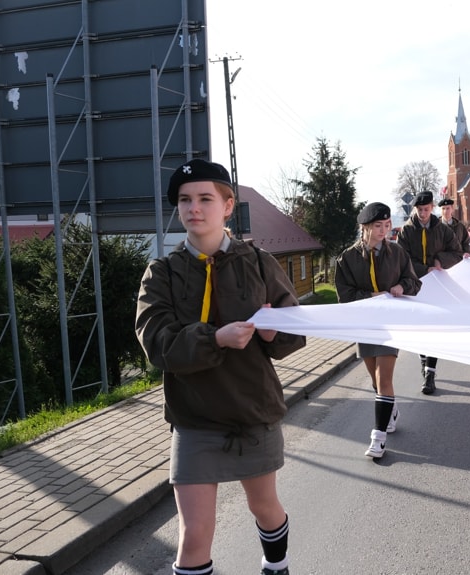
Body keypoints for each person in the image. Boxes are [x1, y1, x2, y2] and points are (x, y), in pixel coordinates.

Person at [135, 159, 306, 575]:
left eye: (205, 199)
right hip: (194, 419)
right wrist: (215, 339)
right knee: (194, 534)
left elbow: (293, 331)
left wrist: (272, 335)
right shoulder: (162, 273)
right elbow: (157, 343)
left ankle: (276, 565)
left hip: (252, 413)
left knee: (264, 508)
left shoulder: (260, 263)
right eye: (185, 200)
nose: (194, 208)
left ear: (228, 206)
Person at [335, 202, 422, 458]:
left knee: (384, 379)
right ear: (365, 228)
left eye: (387, 225)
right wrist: (371, 295)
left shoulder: (397, 253)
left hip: (389, 325)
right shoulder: (347, 258)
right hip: (364, 325)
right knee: (375, 380)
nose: (384, 230)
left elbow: (414, 282)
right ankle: (391, 410)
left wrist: (402, 288)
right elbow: (344, 295)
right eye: (378, 226)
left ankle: (378, 437)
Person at [397, 190, 463, 394]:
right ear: (415, 209)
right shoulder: (406, 231)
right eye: (420, 210)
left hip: (437, 288)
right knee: (419, 330)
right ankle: (423, 363)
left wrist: (439, 260)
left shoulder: (441, 229)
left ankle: (429, 375)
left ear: (432, 208)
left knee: (434, 330)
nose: (423, 213)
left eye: (426, 209)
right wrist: (424, 269)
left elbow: (457, 252)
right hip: (414, 285)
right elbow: (401, 259)